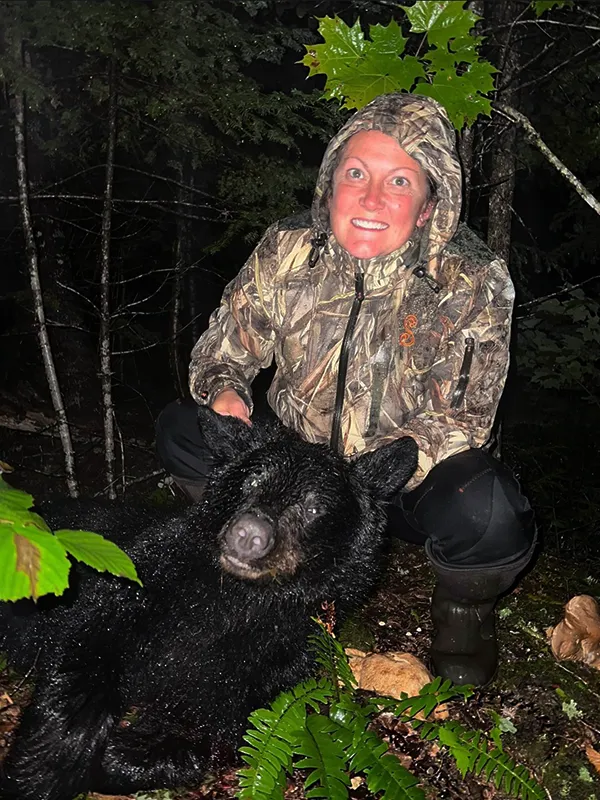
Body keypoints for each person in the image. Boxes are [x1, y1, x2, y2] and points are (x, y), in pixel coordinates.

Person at [156, 93, 536, 687]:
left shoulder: (471, 280)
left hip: (393, 481)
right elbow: (222, 354)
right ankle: (239, 570)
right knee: (185, 430)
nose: (371, 198)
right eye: (356, 172)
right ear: (331, 182)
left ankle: (461, 640)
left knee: (489, 511)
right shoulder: (287, 251)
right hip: (290, 466)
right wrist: (226, 394)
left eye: (400, 181)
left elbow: (464, 418)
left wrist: (357, 478)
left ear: (431, 202)